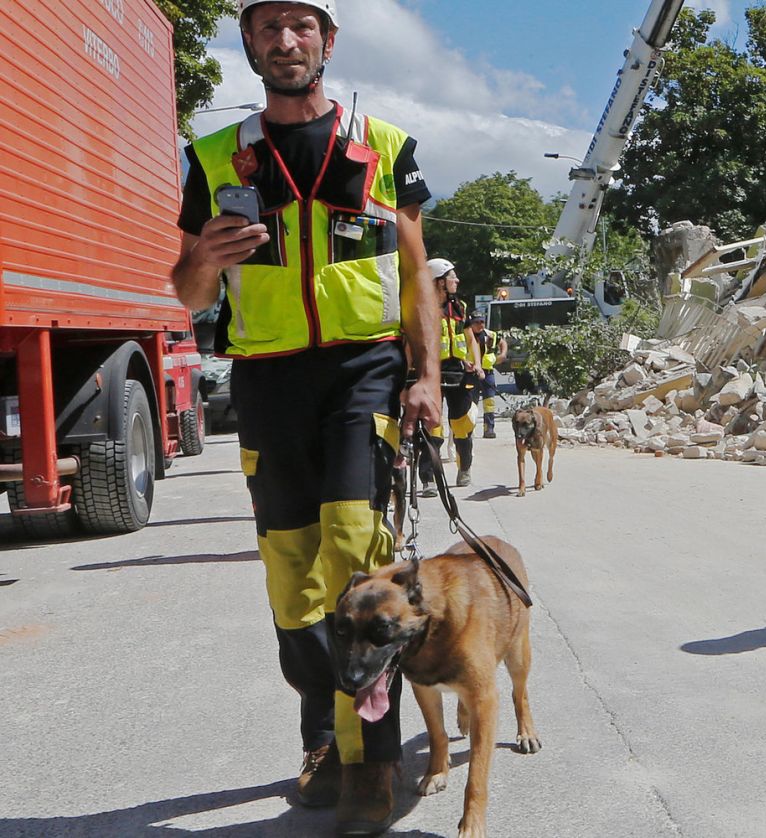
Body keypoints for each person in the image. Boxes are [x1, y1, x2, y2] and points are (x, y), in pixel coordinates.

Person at [167, 1, 440, 832]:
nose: (286, 42)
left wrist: (425, 374)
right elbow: (186, 295)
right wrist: (205, 260)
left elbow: (416, 273)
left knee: (359, 556)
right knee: (291, 575)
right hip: (266, 379)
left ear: (327, 40)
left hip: (362, 373)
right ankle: (321, 737)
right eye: (267, 27)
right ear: (248, 42)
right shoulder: (216, 155)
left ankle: (373, 768)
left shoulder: (385, 148)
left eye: (302, 25)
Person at [418, 258, 481, 493]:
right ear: (439, 281)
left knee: (462, 425)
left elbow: (470, 338)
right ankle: (429, 479)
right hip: (432, 373)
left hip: (459, 374)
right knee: (432, 428)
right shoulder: (421, 307)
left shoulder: (460, 307)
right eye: (452, 277)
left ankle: (464, 468)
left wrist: (476, 363)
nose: (457, 280)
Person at [468, 312, 508, 438]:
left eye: (482, 322)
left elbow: (502, 342)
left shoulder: (490, 335)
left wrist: (503, 354)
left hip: (488, 372)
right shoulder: (466, 336)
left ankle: (489, 429)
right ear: (471, 323)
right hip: (472, 372)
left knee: (489, 402)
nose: (480, 325)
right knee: (471, 403)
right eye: (476, 322)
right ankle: (469, 428)